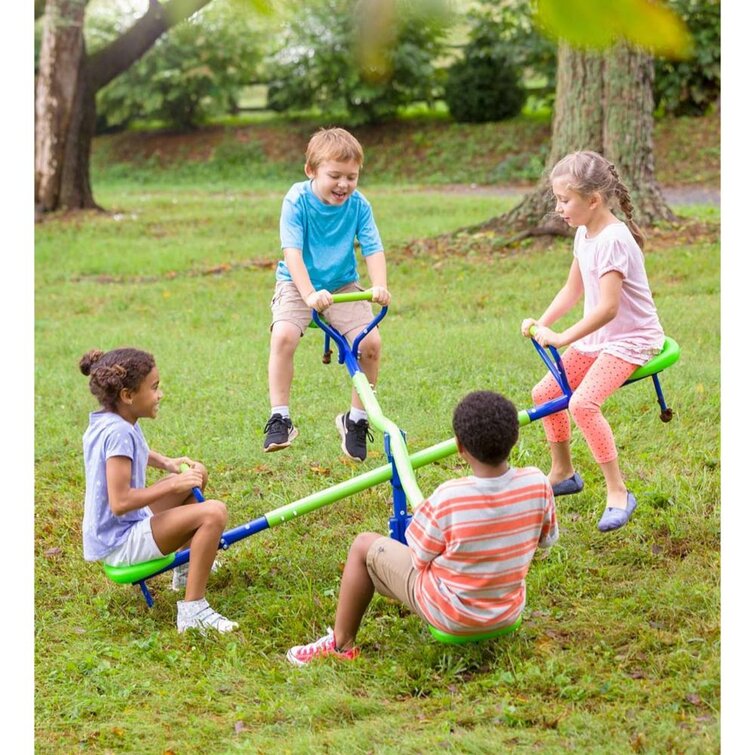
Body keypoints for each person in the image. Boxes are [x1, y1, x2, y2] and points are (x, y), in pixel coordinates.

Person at [286, 390, 558, 665]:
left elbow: (418, 557)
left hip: (452, 616)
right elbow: (546, 540)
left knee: (363, 545)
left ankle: (340, 645)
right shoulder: (537, 483)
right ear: (515, 437)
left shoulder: (450, 497)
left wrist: (431, 520)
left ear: (460, 446)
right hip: (506, 612)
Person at [520, 150, 665, 532]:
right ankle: (563, 471)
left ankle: (618, 492)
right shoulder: (585, 234)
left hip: (630, 339)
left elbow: (608, 309)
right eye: (557, 199)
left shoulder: (614, 240)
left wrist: (562, 336)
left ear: (593, 200)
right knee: (545, 393)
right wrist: (543, 321)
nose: (558, 208)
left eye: (564, 200)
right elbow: (573, 289)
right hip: (600, 339)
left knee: (584, 403)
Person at [80, 347, 237, 634]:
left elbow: (137, 450)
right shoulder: (119, 432)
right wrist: (172, 483)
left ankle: (185, 571)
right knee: (214, 513)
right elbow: (120, 501)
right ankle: (193, 611)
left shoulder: (113, 420)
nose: (160, 394)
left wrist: (167, 463)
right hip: (120, 542)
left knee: (195, 476)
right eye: (154, 388)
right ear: (128, 396)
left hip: (124, 526)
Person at [264, 127, 391, 462]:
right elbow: (292, 252)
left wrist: (379, 286)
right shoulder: (296, 200)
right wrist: (307, 294)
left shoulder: (359, 205)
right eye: (334, 176)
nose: (343, 185)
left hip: (341, 285)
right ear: (311, 171)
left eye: (352, 177)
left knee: (370, 344)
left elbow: (373, 247)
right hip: (297, 282)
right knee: (284, 337)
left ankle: (356, 419)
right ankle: (280, 416)